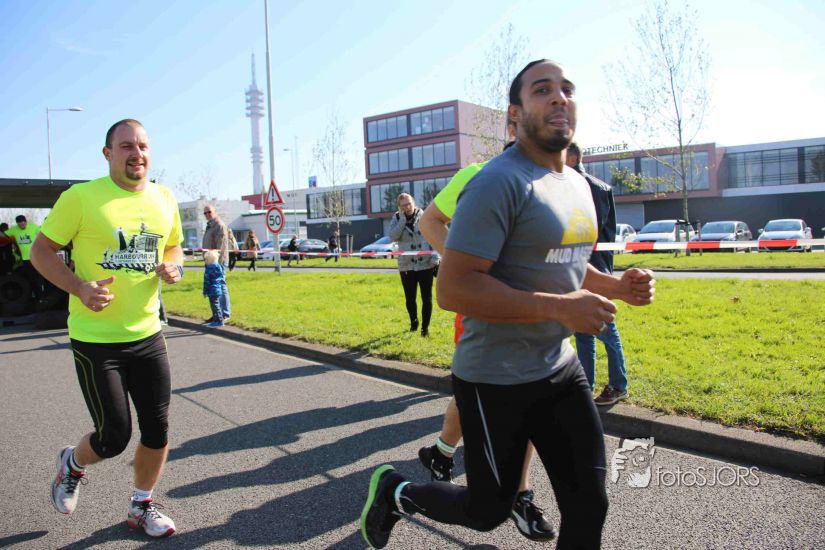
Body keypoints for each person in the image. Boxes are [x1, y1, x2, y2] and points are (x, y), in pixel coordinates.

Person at [361, 60, 656, 550]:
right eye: (543, 90)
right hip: (494, 378)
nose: (560, 97)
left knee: (589, 504)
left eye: (567, 88)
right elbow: (454, 290)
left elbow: (563, 263)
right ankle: (397, 492)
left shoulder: (577, 185)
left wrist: (616, 286)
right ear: (514, 116)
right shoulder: (497, 182)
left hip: (559, 368)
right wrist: (561, 309)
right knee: (487, 511)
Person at [30, 118, 183, 538]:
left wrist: (174, 266)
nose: (137, 153)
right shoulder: (81, 198)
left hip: (148, 334)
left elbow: (173, 244)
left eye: (143, 146)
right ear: (108, 153)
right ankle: (72, 465)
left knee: (157, 430)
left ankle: (141, 505)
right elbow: (41, 251)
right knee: (114, 436)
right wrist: (79, 287)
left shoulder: (164, 198)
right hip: (96, 341)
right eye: (127, 146)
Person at [415, 140, 557, 542]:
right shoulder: (476, 175)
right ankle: (445, 462)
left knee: (528, 394)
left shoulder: (553, 184)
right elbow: (430, 221)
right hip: (480, 305)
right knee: (477, 389)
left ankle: (515, 492)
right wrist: (465, 264)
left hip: (530, 305)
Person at [567, 142, 629, 406]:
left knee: (606, 329)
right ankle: (585, 386)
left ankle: (618, 385)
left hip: (594, 267)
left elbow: (590, 229)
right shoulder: (576, 185)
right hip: (580, 267)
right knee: (582, 331)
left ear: (572, 158)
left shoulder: (590, 187)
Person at [388, 193, 439, 337]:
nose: (408, 207)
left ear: (414, 202)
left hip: (425, 264)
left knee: (427, 298)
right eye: (404, 205)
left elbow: (434, 238)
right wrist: (402, 221)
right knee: (410, 298)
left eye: (409, 203)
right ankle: (414, 322)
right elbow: (393, 236)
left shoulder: (425, 216)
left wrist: (435, 258)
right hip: (407, 265)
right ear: (400, 207)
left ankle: (425, 329)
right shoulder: (396, 218)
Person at [201, 205, 230, 319]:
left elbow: (221, 246)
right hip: (210, 261)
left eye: (209, 212)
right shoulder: (209, 225)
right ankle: (217, 314)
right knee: (212, 288)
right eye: (205, 213)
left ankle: (225, 314)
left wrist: (217, 264)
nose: (207, 214)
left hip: (217, 262)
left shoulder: (219, 225)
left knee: (221, 286)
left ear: (215, 212)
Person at [6, 214, 43, 298]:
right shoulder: (14, 229)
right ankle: (31, 296)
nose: (22, 225)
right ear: (17, 224)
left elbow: (44, 235)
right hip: (26, 260)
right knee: (30, 278)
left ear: (26, 222)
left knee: (38, 278)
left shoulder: (34, 227)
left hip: (36, 258)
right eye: (20, 224)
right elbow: (3, 235)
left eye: (23, 223)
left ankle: (40, 297)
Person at [202, 250, 225, 327]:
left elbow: (207, 282)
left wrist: (205, 291)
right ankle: (216, 320)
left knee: (214, 306)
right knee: (216, 305)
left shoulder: (209, 269)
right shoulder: (219, 267)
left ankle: (219, 321)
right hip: (218, 289)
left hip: (212, 290)